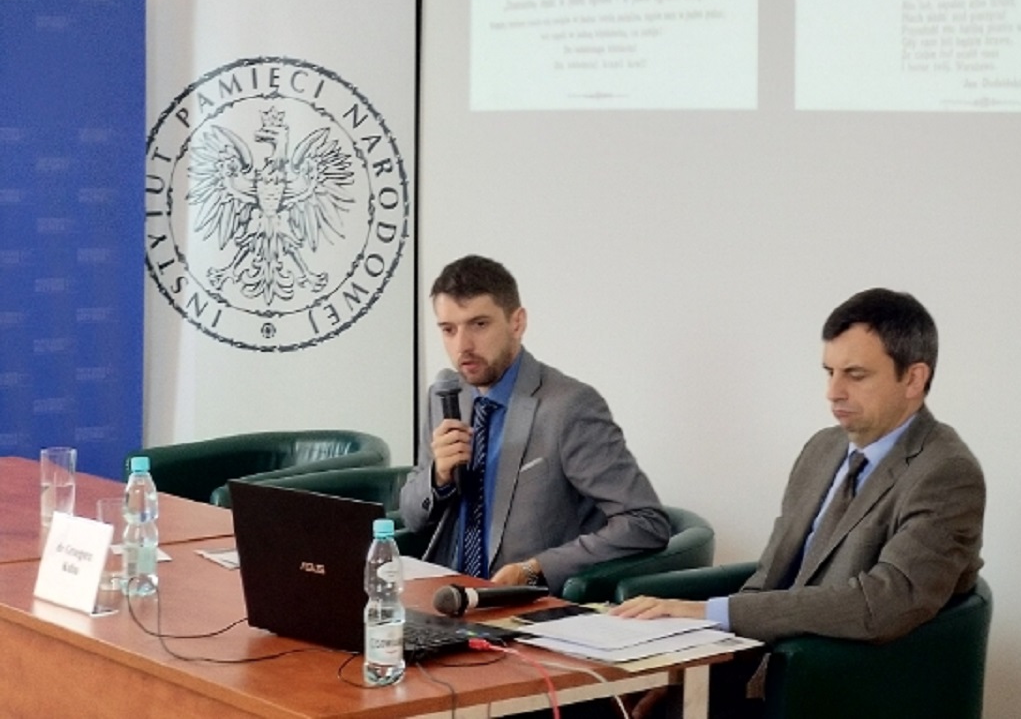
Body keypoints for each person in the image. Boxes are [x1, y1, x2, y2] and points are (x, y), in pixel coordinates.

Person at [612, 288, 985, 716]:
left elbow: (884, 604)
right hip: (762, 671)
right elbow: (771, 576)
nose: (833, 392)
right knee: (604, 702)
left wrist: (709, 613)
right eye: (829, 372)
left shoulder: (946, 473)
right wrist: (693, 669)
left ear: (914, 379)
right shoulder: (822, 449)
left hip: (834, 686)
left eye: (855, 375)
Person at [398, 254, 669, 593]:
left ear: (517, 323)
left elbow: (646, 522)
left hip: (524, 605)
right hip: (446, 596)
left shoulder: (569, 407)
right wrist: (438, 477)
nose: (462, 346)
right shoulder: (446, 396)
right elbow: (411, 517)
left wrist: (536, 568)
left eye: (479, 325)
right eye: (448, 330)